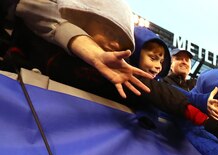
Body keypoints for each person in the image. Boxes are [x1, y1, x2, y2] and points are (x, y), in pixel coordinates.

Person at [10, 0, 152, 98]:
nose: (116, 45)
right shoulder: (37, 24)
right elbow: (31, 7)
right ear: (83, 15)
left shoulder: (107, 73)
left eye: (122, 43)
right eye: (110, 33)